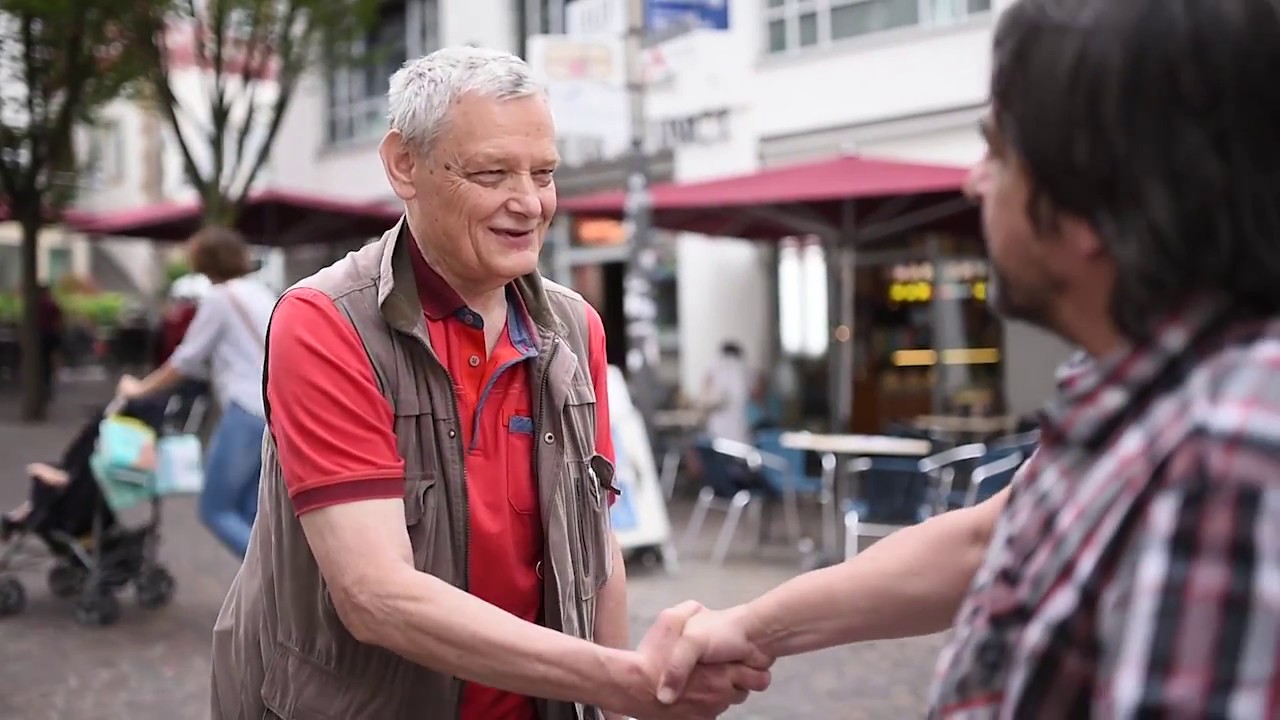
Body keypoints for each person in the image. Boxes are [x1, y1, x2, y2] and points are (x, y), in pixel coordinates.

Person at [652, 0, 1280, 716]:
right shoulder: (1134, 390)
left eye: (999, 153)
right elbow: (982, 540)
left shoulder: (1225, 456)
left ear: (1088, 209)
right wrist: (750, 627)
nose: (974, 182)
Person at [208, 46, 768, 720]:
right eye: (492, 171)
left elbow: (597, 549)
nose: (529, 202)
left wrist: (618, 707)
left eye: (545, 172)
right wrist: (618, 679)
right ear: (403, 165)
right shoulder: (326, 323)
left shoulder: (575, 327)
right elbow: (376, 596)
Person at [115, 227, 274, 559]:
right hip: (273, 413)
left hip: (246, 411)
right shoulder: (261, 293)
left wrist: (139, 390)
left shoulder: (221, 298)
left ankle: (275, 583)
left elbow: (185, 360)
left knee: (215, 509)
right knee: (247, 508)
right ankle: (271, 593)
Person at [701, 341, 752, 443]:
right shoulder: (740, 371)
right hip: (733, 431)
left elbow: (710, 401)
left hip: (725, 430)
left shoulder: (724, 370)